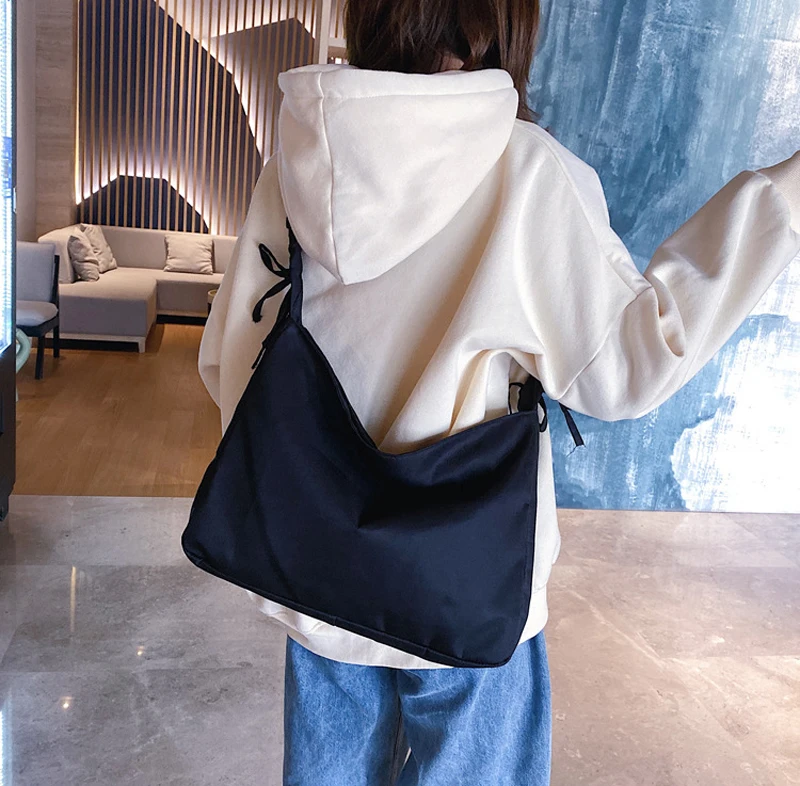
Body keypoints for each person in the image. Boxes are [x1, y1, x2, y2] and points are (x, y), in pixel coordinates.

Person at [197, 1, 800, 783]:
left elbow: (231, 361)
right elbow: (633, 366)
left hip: (315, 574)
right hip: (462, 580)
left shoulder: (298, 160)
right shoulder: (524, 170)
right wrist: (780, 201)